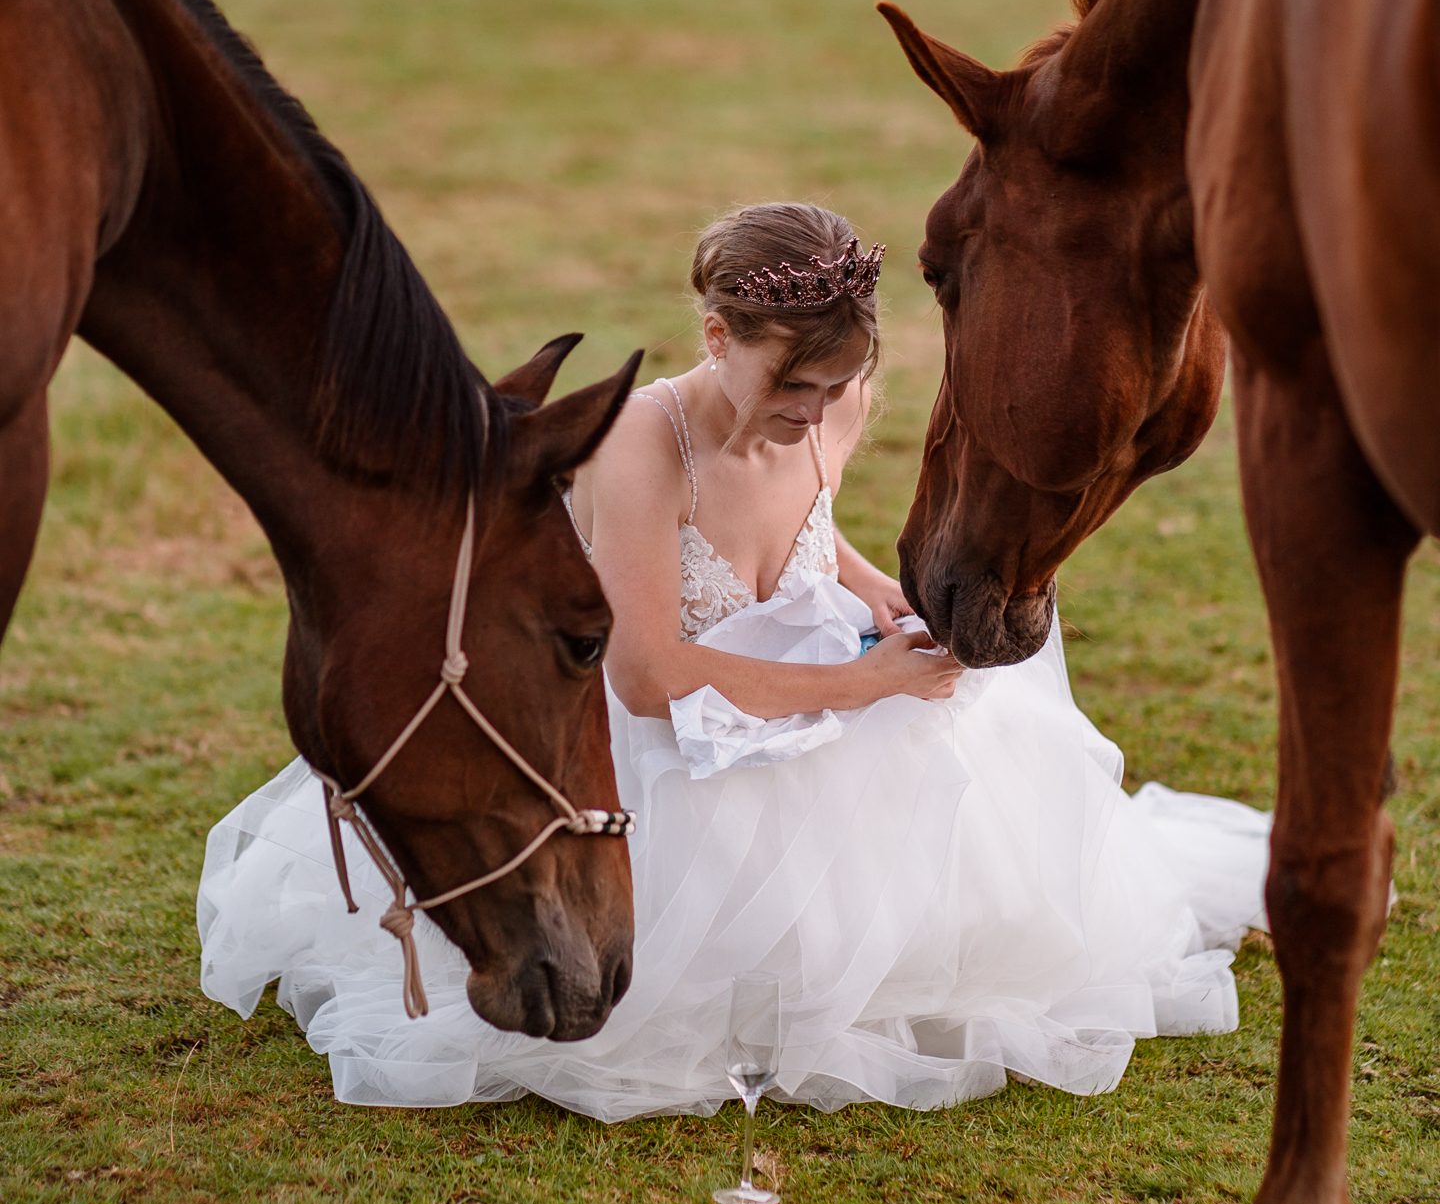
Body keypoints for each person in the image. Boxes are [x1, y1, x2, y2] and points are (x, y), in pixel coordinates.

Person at [198, 203, 1270, 1117]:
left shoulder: (834, 400)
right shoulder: (639, 446)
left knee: (976, 753)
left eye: (831, 389)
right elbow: (648, 676)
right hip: (669, 729)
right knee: (789, 808)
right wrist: (861, 683)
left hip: (797, 651)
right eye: (788, 389)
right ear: (717, 334)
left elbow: (815, 518)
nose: (810, 413)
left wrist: (873, 593)